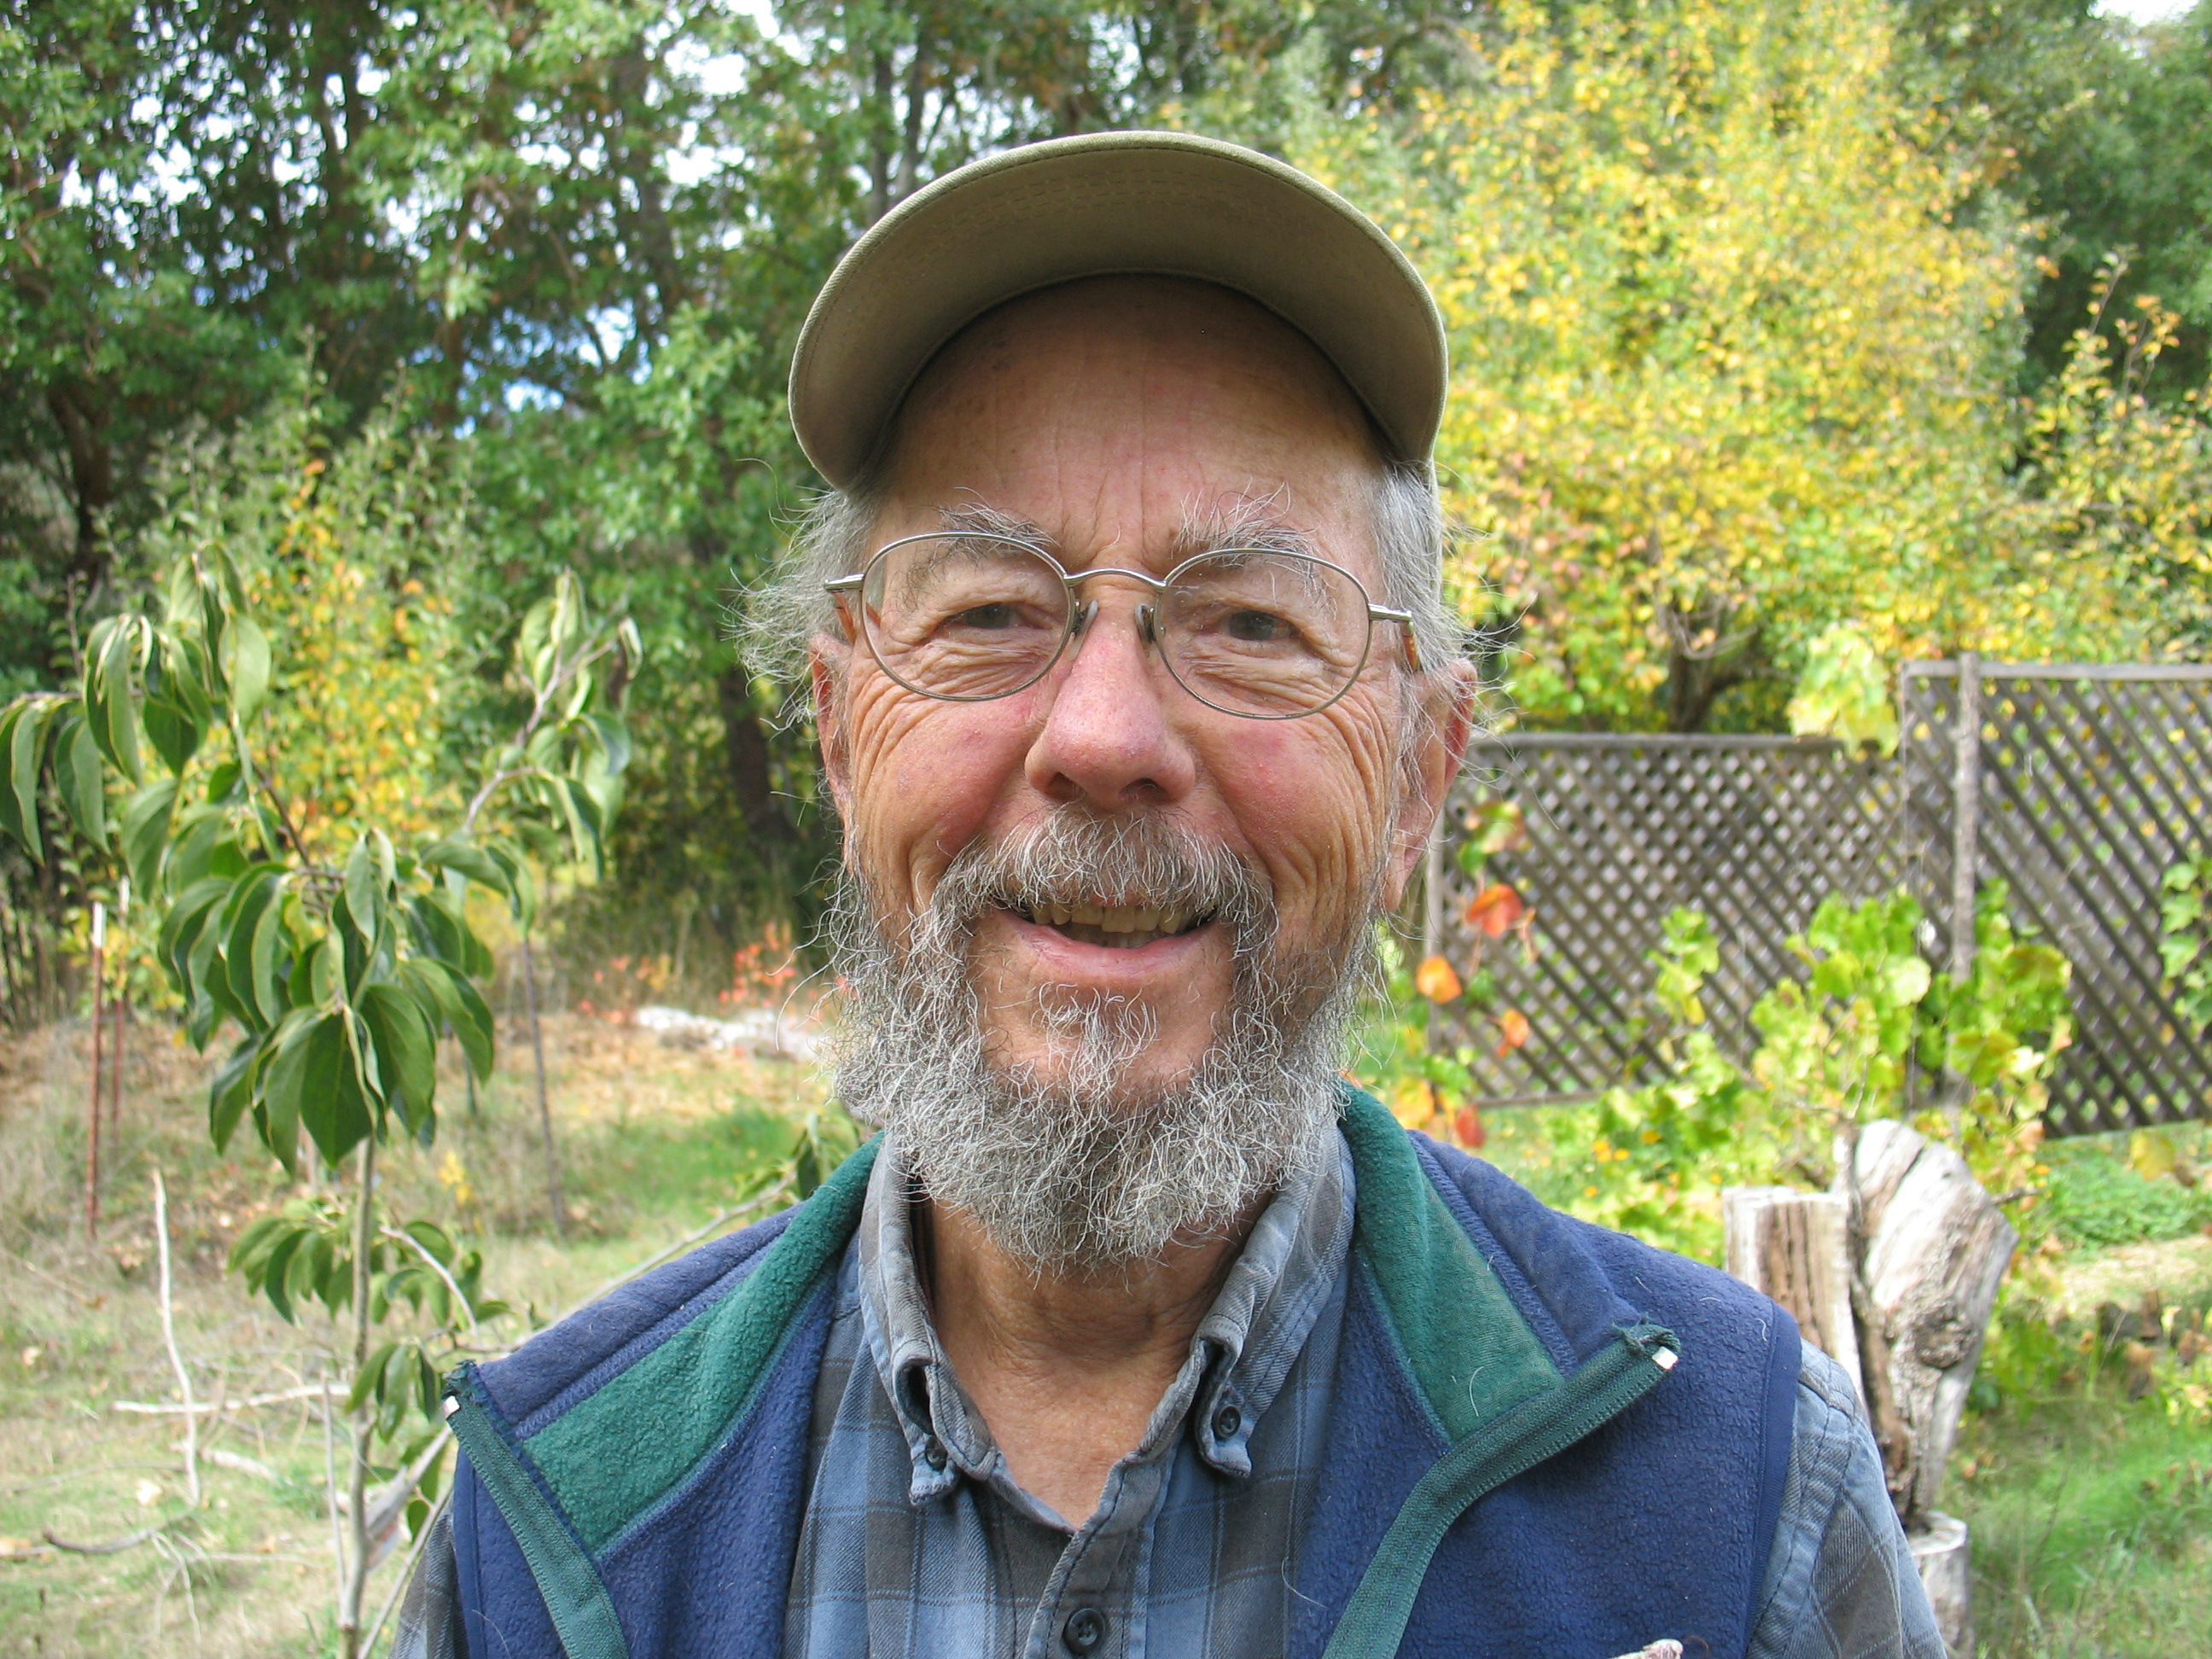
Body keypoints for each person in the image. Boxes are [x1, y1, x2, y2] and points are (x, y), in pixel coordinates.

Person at [396, 131, 1941, 1659]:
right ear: (843, 738)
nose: (1103, 737)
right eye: (989, 612)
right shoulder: (550, 1542)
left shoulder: (1733, 1508)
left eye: (1252, 624)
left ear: (1417, 776)